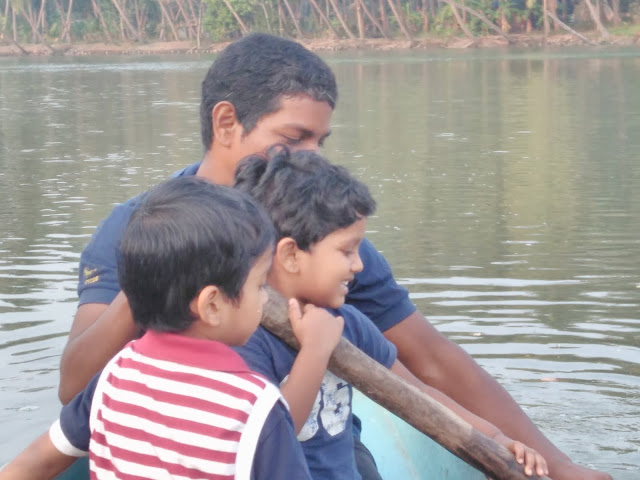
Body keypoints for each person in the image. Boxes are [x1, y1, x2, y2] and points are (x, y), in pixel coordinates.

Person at [58, 33, 612, 480]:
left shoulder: (324, 239)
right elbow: (73, 390)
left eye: (320, 142)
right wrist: (164, 269)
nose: (311, 158)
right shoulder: (142, 230)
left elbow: (426, 356)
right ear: (226, 123)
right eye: (295, 138)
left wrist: (555, 464)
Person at [232, 146, 548, 479]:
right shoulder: (245, 337)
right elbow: (269, 440)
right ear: (291, 255)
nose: (359, 264)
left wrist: (497, 439)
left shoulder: (348, 324)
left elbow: (418, 396)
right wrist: (314, 351)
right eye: (346, 250)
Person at [1, 177, 315, 480]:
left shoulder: (113, 376)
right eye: (260, 284)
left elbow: (34, 463)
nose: (264, 298)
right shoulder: (255, 407)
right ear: (212, 305)